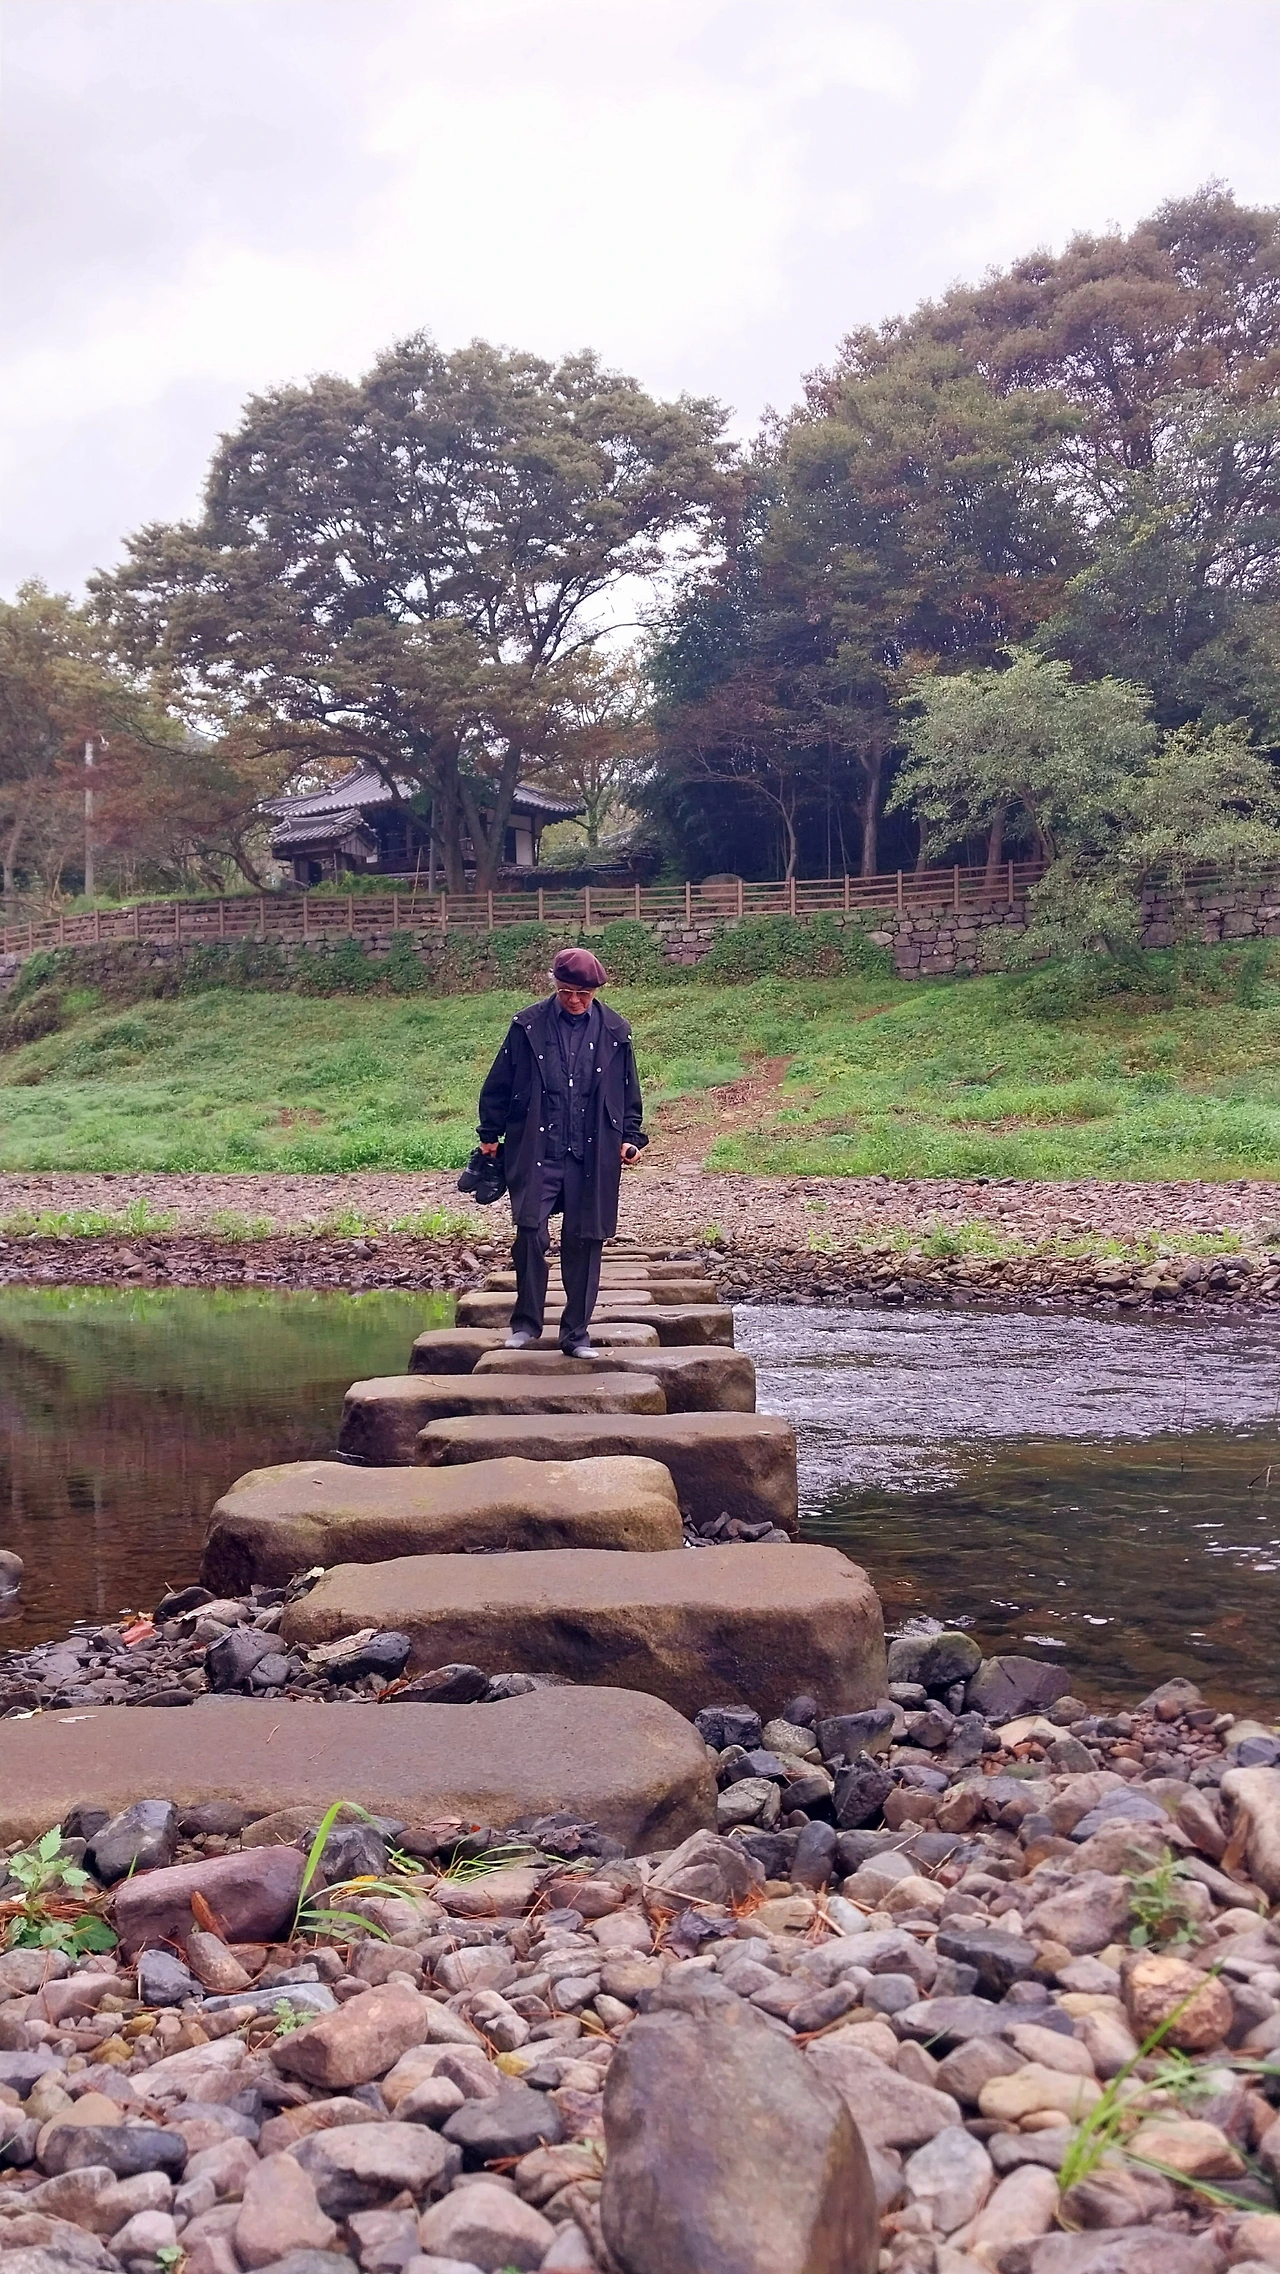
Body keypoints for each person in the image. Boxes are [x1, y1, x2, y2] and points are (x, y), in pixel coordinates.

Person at [476, 946, 647, 1354]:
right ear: (554, 984)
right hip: (538, 1149)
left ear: (596, 991)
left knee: (585, 1241)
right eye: (566, 991)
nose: (574, 1000)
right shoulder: (527, 1025)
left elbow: (628, 1091)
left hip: (593, 1153)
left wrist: (631, 1137)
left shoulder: (615, 1031)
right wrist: (489, 1135)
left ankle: (575, 1334)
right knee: (529, 1233)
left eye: (583, 994)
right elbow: (499, 1083)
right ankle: (526, 1325)